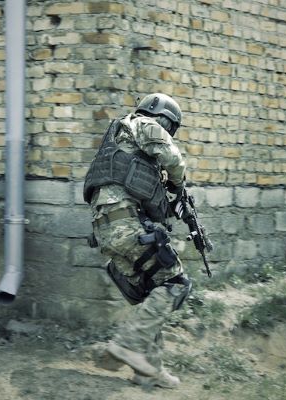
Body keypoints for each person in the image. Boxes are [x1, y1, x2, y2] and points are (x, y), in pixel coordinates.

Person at [83, 93, 191, 388]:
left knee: (151, 293)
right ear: (166, 120)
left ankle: (150, 370)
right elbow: (174, 159)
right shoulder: (143, 124)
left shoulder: (121, 139)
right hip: (125, 225)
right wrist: (178, 184)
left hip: (106, 231)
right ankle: (127, 345)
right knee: (175, 284)